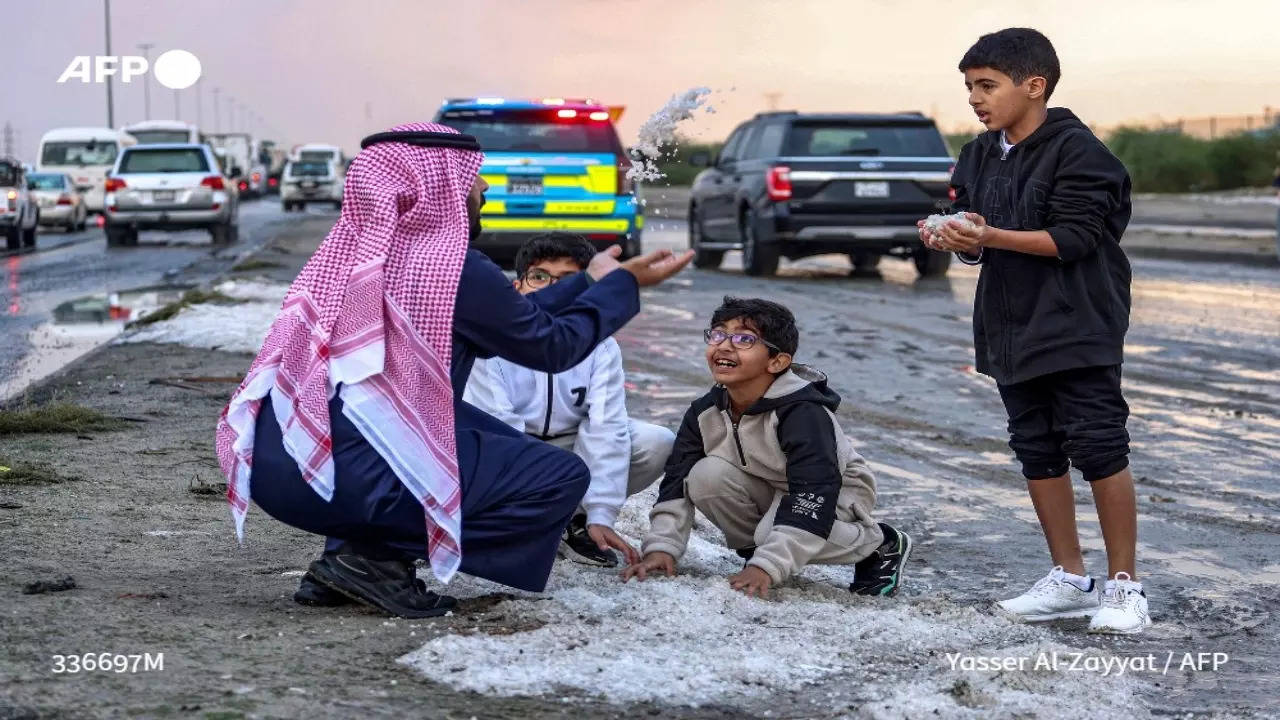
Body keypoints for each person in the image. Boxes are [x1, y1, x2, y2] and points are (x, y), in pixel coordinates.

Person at [215, 123, 693, 619]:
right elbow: (552, 347)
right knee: (556, 476)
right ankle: (374, 560)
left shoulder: (355, 256)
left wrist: (588, 283)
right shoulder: (452, 270)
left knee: (479, 437)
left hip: (283, 468)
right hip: (349, 473)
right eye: (474, 178)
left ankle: (349, 557)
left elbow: (510, 316)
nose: (484, 188)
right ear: (435, 186)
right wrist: (624, 286)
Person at [920, 28, 1149, 634]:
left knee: (1099, 445)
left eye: (987, 85)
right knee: (1036, 446)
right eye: (969, 86)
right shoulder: (976, 154)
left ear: (1034, 85)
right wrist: (954, 236)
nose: (975, 97)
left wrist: (987, 236)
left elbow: (1074, 240)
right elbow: (977, 237)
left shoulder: (1081, 153)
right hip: (1007, 324)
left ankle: (1125, 587)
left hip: (1078, 322)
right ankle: (1070, 578)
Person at [621, 297, 912, 598]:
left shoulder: (803, 413)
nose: (724, 346)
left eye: (744, 339)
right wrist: (661, 550)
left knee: (770, 533)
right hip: (770, 485)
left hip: (835, 492)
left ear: (777, 362)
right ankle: (758, 551)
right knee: (704, 475)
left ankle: (879, 544)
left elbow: (814, 493)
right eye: (718, 334)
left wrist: (768, 567)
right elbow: (675, 487)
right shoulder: (704, 412)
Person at [463, 232, 675, 568]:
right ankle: (523, 524)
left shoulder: (602, 345)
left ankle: (576, 524)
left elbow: (606, 425)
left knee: (657, 441)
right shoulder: (492, 344)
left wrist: (600, 514)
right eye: (539, 277)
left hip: (568, 444)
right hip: (508, 448)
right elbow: (500, 431)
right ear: (517, 288)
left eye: (568, 280)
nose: (552, 289)